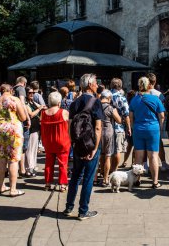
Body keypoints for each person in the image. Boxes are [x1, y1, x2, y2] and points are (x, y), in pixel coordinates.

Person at [64, 73, 103, 220]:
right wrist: (94, 148)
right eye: (95, 83)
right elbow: (98, 128)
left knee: (75, 176)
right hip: (91, 144)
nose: (97, 85)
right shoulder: (95, 101)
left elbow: (69, 126)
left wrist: (73, 143)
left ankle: (68, 207)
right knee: (88, 177)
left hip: (78, 144)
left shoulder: (75, 102)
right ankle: (83, 211)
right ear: (90, 85)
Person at [0, 84, 26, 197]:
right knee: (13, 159)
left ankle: (1, 186)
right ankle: (13, 189)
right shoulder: (14, 99)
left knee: (1, 159)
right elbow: (23, 117)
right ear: (11, 90)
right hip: (13, 130)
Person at [130, 77, 165, 188]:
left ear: (139, 86)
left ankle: (136, 180)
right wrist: (160, 127)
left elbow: (131, 117)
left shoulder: (134, 100)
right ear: (149, 85)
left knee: (139, 156)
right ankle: (155, 182)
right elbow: (162, 116)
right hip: (153, 129)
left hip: (138, 129)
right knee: (153, 156)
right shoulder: (155, 99)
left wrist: (132, 127)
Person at [41, 92, 71, 191]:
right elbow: (70, 126)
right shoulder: (64, 112)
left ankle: (48, 183)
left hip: (48, 141)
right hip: (62, 141)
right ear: (59, 102)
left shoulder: (43, 113)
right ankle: (62, 184)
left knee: (49, 163)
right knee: (63, 163)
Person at [100, 90, 122, 186]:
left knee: (100, 155)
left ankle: (98, 175)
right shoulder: (110, 108)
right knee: (108, 156)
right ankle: (105, 179)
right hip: (108, 132)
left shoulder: (95, 107)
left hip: (98, 132)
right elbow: (119, 120)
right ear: (109, 98)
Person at [146, 73, 168, 172]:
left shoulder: (139, 93)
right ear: (155, 82)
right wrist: (161, 124)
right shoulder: (159, 95)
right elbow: (162, 111)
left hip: (142, 122)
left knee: (141, 145)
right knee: (158, 143)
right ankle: (163, 163)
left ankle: (144, 164)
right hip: (155, 123)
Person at [110, 78, 131, 170]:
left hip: (107, 126)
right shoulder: (121, 97)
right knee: (117, 150)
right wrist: (129, 128)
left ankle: (106, 169)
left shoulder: (106, 95)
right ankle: (114, 169)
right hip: (119, 127)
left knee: (107, 151)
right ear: (120, 86)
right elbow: (126, 114)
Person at [25, 87, 46, 177]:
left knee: (34, 149)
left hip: (36, 128)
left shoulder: (32, 102)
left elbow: (43, 107)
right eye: (30, 93)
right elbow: (31, 114)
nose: (32, 94)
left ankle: (32, 166)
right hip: (30, 129)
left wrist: (42, 107)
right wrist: (40, 108)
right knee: (29, 149)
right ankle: (28, 168)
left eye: (33, 93)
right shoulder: (25, 103)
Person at [13, 76, 31, 177]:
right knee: (23, 146)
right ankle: (22, 169)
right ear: (23, 83)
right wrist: (27, 118)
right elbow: (22, 103)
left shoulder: (11, 90)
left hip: (13, 120)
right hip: (21, 120)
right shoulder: (21, 89)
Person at [122, 90, 136, 168]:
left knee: (129, 146)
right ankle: (133, 163)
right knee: (135, 146)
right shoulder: (135, 104)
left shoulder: (128, 104)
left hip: (129, 127)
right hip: (134, 126)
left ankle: (124, 161)